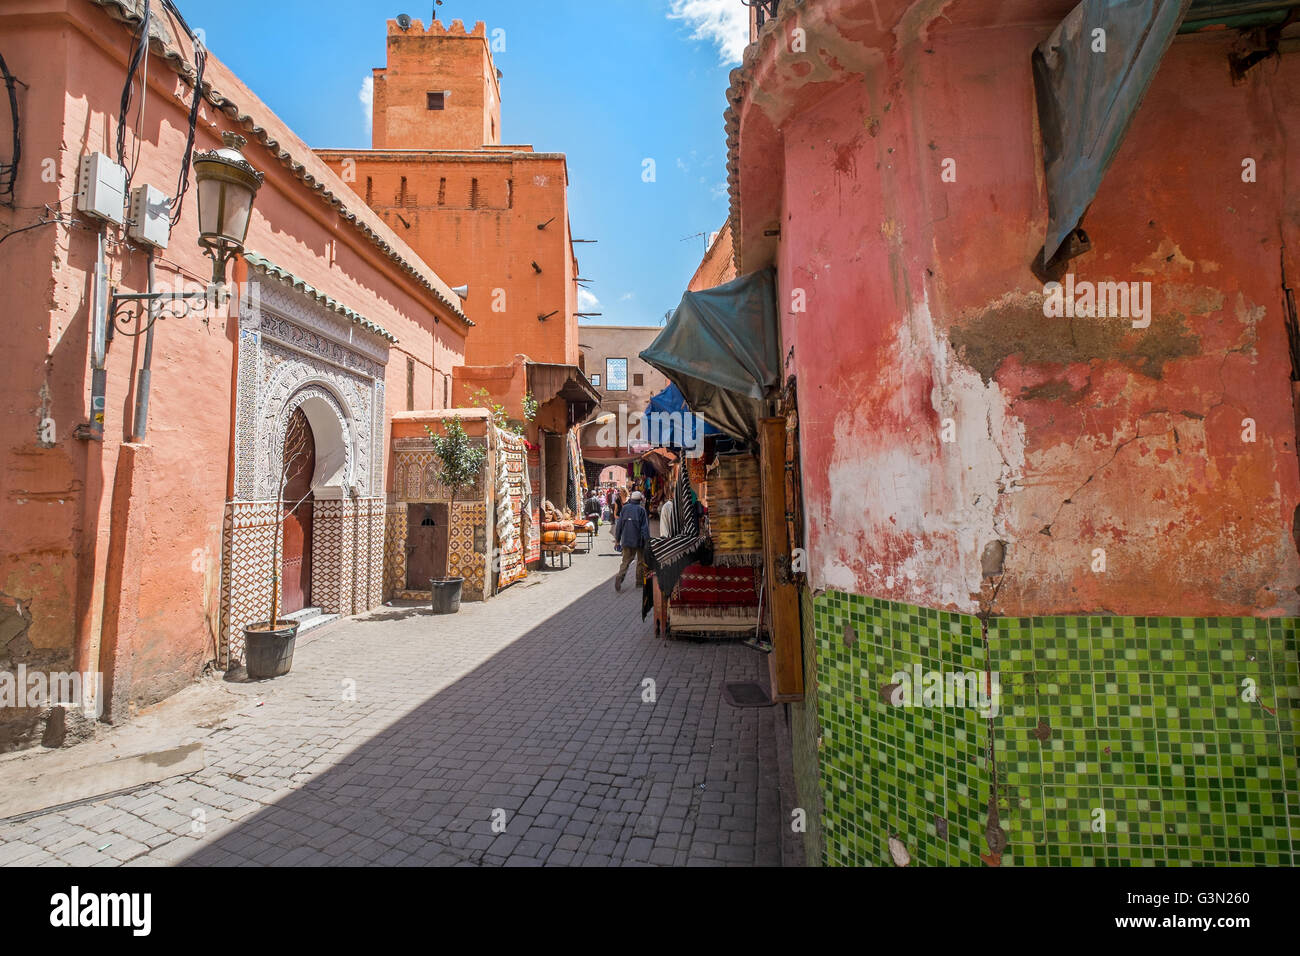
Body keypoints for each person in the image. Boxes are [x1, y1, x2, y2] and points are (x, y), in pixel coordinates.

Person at [613, 491, 650, 592]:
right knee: (641, 561)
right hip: (639, 540)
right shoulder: (641, 510)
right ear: (639, 500)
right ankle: (639, 582)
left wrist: (617, 540)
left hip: (626, 539)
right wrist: (647, 541)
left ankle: (620, 576)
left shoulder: (624, 508)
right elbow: (645, 528)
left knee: (626, 561)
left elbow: (619, 525)